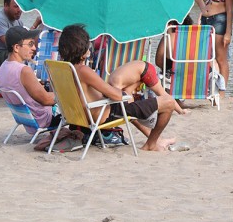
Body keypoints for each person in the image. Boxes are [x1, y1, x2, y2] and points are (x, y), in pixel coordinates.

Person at [58, 24, 177, 152]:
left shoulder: (63, 68)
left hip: (83, 116)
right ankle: (151, 144)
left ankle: (157, 140)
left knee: (128, 93)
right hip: (105, 114)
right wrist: (125, 94)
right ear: (82, 49)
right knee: (169, 102)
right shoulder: (83, 70)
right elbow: (116, 96)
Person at [0, 26, 59, 131]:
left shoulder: (3, 66)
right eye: (30, 44)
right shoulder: (23, 70)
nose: (34, 48)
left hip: (25, 118)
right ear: (16, 47)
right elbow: (46, 100)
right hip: (43, 119)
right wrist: (64, 95)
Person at [194, 0, 233, 96]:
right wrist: (203, 8)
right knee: (205, 56)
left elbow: (230, 9)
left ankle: (222, 93)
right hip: (206, 21)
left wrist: (228, 32)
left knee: (220, 58)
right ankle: (209, 88)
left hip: (219, 20)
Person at [108, 60, 187, 120]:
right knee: (127, 93)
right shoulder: (114, 82)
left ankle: (180, 111)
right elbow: (127, 93)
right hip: (141, 67)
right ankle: (180, 111)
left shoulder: (115, 85)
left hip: (145, 71)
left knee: (162, 93)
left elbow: (121, 99)